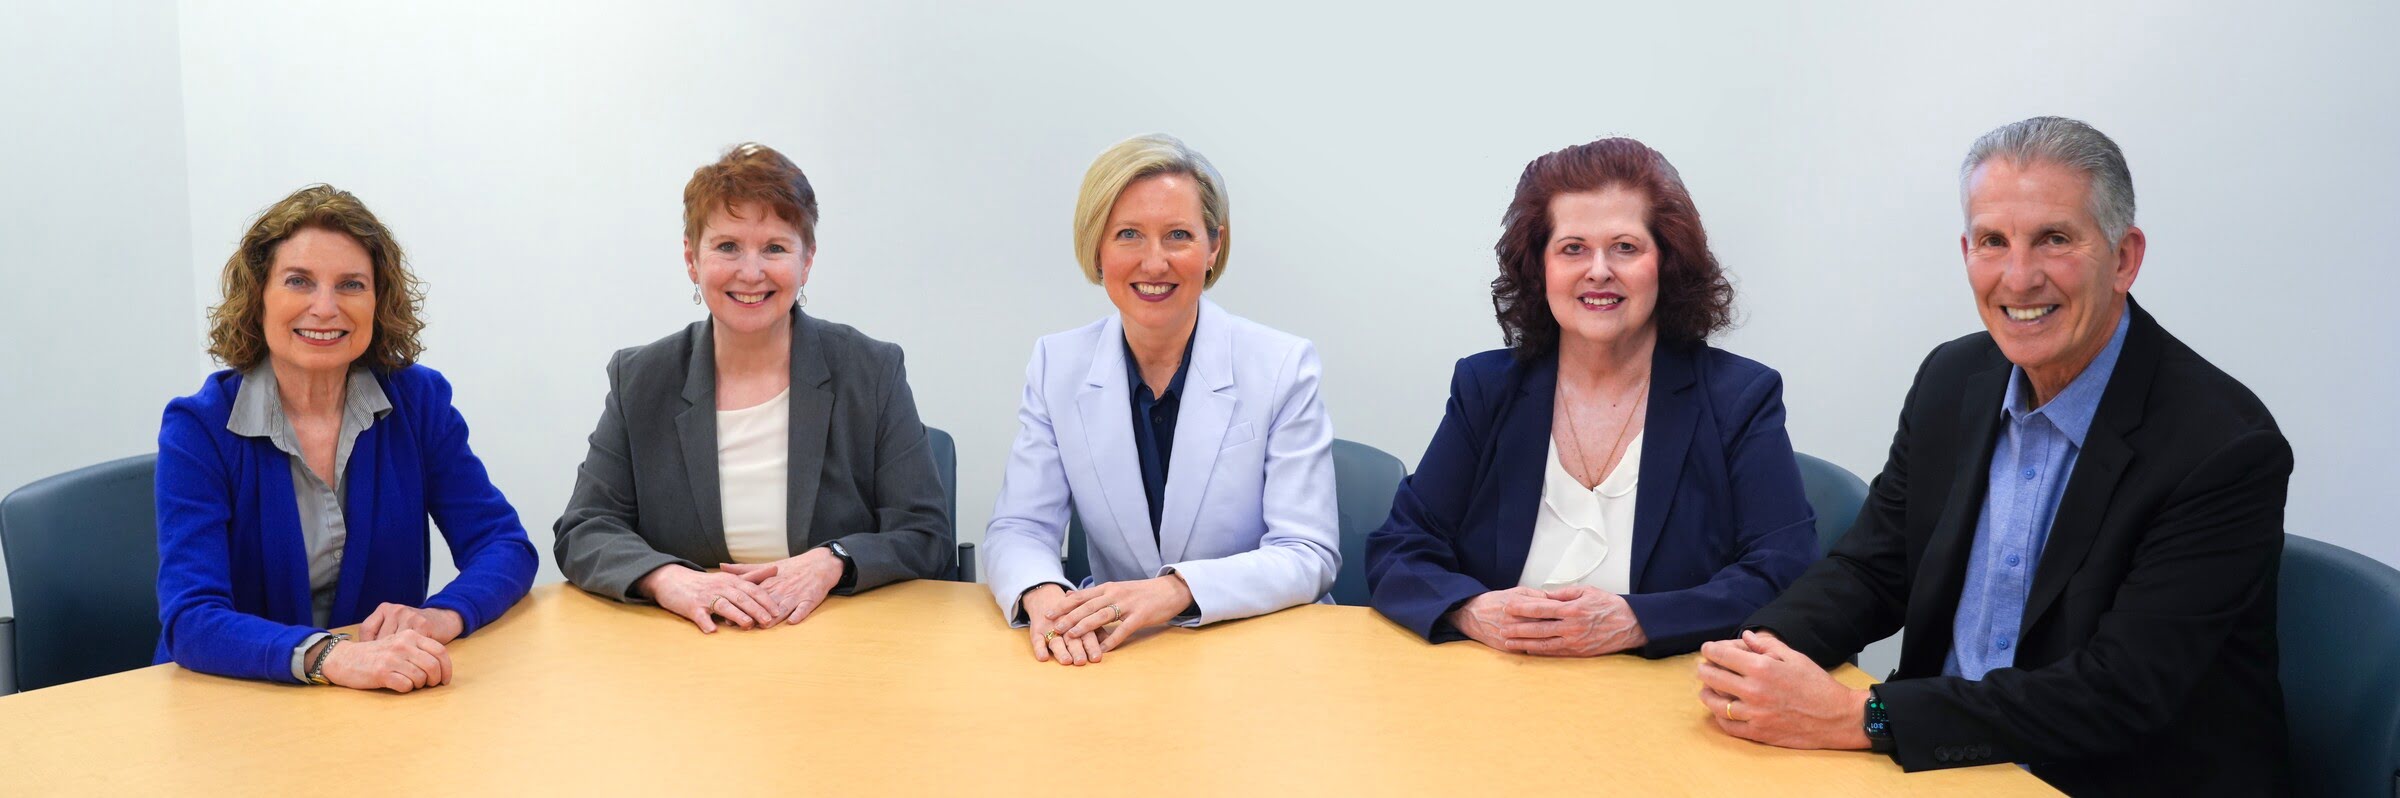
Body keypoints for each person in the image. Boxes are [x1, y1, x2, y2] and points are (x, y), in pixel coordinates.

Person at [1695, 117, 2293, 796]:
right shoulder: (1953, 379)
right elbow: (1873, 569)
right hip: (1939, 766)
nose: (2018, 277)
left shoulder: (2223, 446)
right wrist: (1760, 657)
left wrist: (1863, 718)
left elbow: (2120, 692)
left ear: (2124, 258)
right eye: (1993, 242)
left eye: (2054, 239)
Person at [1364, 138, 1817, 658]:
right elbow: (1399, 549)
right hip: (1494, 682)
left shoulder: (1738, 398)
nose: (1598, 270)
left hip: (1667, 690)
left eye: (1625, 247)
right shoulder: (1486, 388)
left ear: (1666, 263)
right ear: (1541, 268)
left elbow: (1786, 571)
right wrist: (1470, 609)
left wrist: (1638, 621)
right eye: (1573, 248)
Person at [555, 143, 952, 633]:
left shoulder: (870, 371)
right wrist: (667, 578)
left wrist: (834, 560)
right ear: (691, 259)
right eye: (727, 246)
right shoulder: (640, 379)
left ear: (806, 261)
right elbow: (584, 529)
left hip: (839, 637)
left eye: (775, 248)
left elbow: (925, 533)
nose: (750, 272)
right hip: (689, 643)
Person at [155, 184, 538, 691]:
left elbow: (503, 544)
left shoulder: (418, 403)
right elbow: (192, 620)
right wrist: (331, 657)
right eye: (299, 281)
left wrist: (441, 615)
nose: (325, 307)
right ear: (258, 296)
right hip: (230, 701)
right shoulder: (198, 428)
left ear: (378, 302)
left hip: (377, 702)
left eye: (351, 285)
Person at [980, 133, 1339, 666]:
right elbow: (1020, 527)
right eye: (1128, 235)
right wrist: (1044, 595)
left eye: (1178, 236)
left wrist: (1173, 591)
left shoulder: (1283, 365)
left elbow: (1307, 552)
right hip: (1120, 655)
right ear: (1097, 248)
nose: (1154, 263)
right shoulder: (1057, 365)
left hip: (1260, 653)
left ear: (1213, 247)